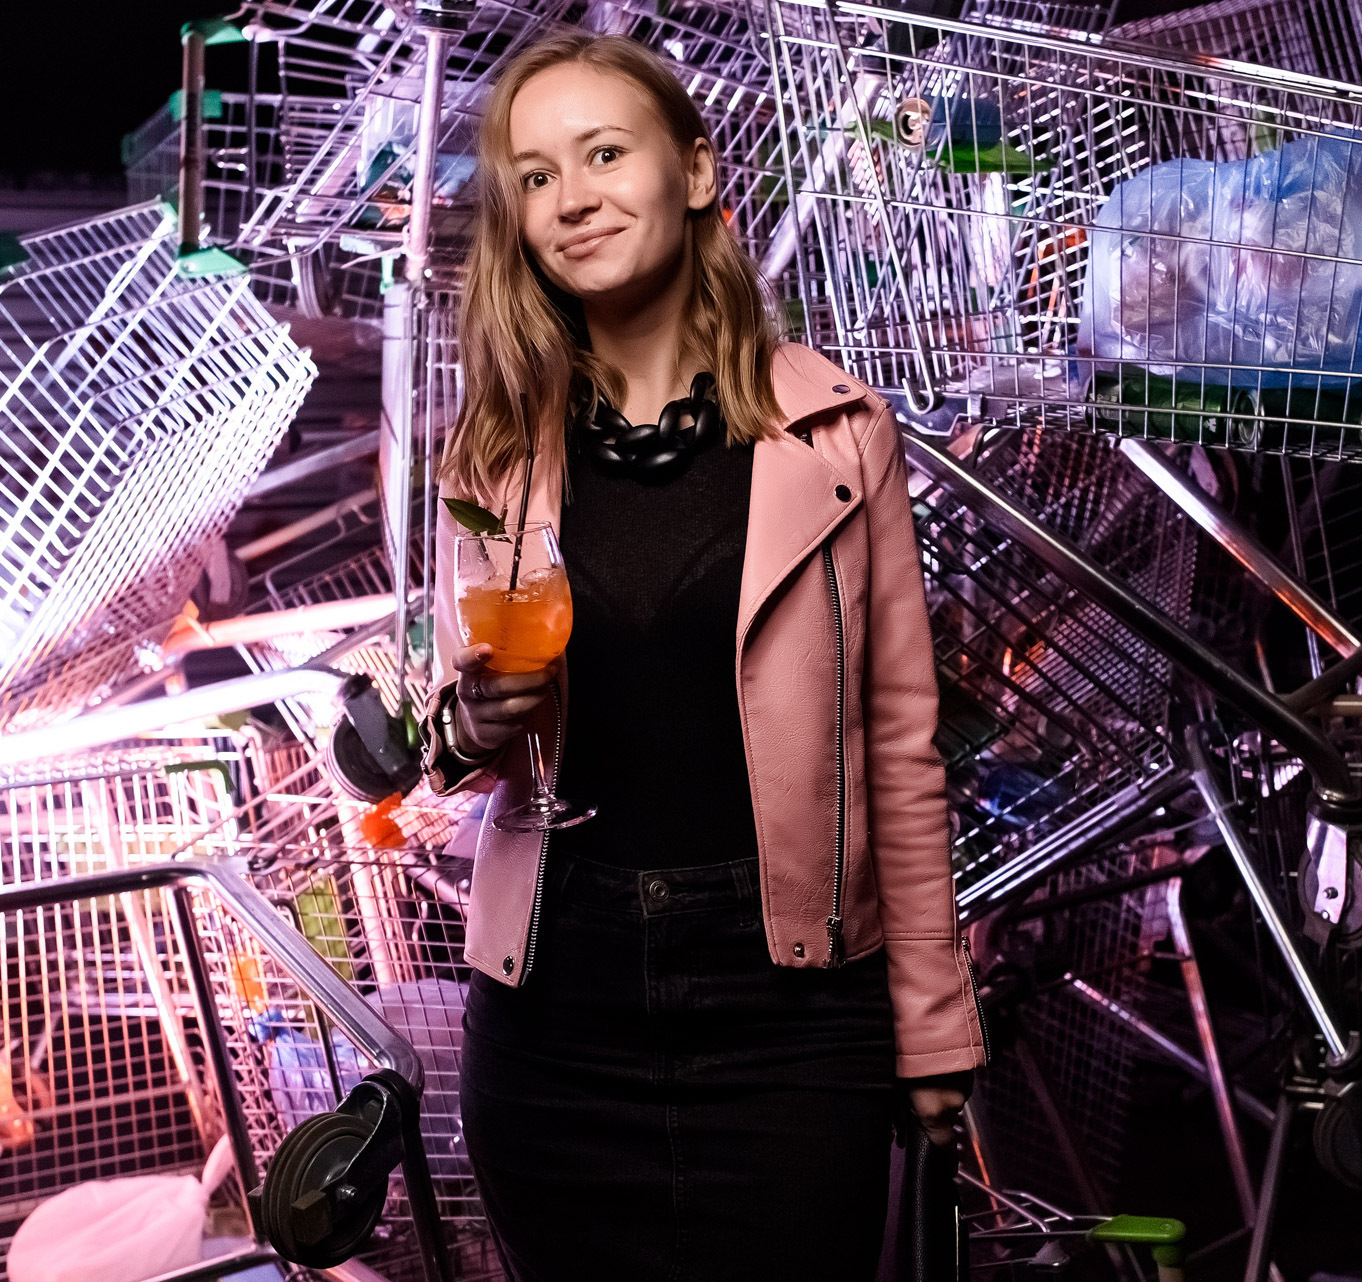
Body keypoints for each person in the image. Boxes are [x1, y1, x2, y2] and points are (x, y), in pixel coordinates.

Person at [418, 31, 987, 1282]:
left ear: (695, 171)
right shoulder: (494, 454)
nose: (572, 198)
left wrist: (934, 1026)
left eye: (604, 155)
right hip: (554, 999)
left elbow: (900, 744)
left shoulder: (838, 432)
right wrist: (469, 724)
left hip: (789, 1007)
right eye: (535, 176)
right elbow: (448, 731)